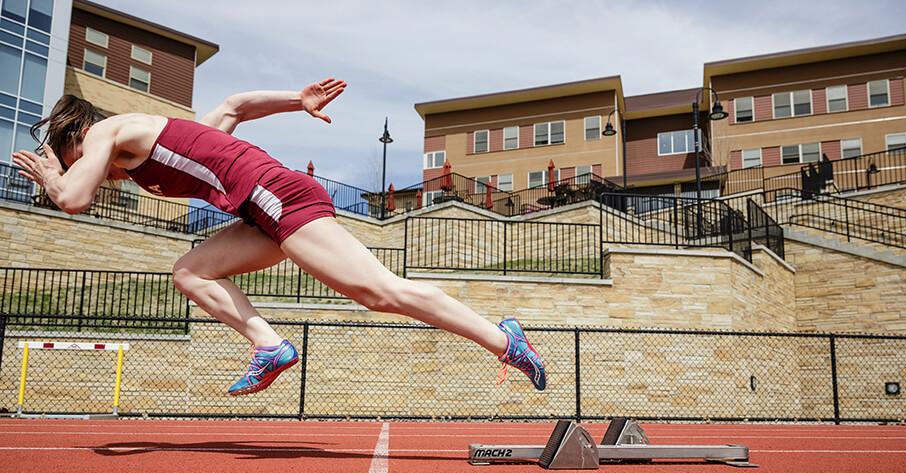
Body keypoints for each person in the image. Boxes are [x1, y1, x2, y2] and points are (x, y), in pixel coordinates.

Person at [12, 79, 546, 395]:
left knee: (379, 292)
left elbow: (74, 197)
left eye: (71, 161)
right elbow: (233, 108)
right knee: (190, 271)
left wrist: (54, 178)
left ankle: (505, 339)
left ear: (76, 140)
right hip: (260, 213)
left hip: (278, 197)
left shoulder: (107, 130)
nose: (95, 173)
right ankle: (270, 346)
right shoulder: (155, 146)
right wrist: (298, 99)